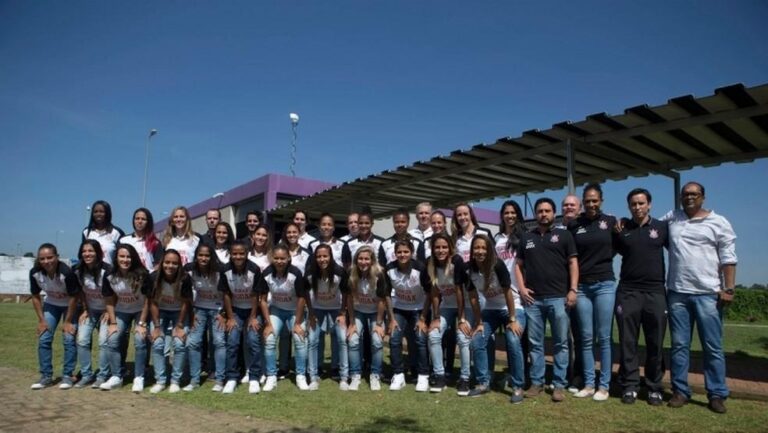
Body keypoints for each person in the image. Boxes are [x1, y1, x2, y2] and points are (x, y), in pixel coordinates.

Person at [664, 182, 737, 414]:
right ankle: (680, 391)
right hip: (677, 292)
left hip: (708, 293)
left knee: (712, 347)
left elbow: (728, 257)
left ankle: (716, 394)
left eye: (694, 194)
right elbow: (648, 225)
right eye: (685, 194)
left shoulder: (719, 222)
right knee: (678, 346)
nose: (689, 197)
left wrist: (730, 288)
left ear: (703, 197)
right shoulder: (672, 218)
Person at [515, 198, 578, 403]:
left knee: (561, 343)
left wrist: (573, 290)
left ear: (553, 213)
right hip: (534, 301)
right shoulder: (526, 237)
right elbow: (518, 265)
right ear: (536, 214)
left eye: (548, 210)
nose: (544, 214)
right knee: (535, 343)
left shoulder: (564, 235)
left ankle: (559, 385)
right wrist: (522, 288)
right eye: (540, 211)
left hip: (559, 298)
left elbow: (573, 263)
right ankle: (536, 382)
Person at [613, 188, 668, 406]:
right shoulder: (622, 229)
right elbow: (603, 253)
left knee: (655, 342)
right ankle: (630, 386)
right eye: (633, 204)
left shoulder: (662, 228)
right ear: (628, 207)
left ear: (650, 205)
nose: (637, 207)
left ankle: (654, 387)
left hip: (655, 292)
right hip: (628, 292)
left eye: (641, 203)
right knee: (628, 342)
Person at [567, 184, 617, 401]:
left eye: (594, 200)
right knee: (586, 338)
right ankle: (589, 383)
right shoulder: (574, 225)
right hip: (583, 288)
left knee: (604, 337)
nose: (591, 204)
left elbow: (620, 244)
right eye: (587, 201)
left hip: (605, 284)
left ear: (601, 201)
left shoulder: (611, 222)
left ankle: (604, 386)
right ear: (582, 203)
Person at [465, 235, 524, 400]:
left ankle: (518, 386)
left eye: (483, 248)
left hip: (512, 307)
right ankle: (483, 383)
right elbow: (473, 298)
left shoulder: (497, 265)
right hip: (490, 310)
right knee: (477, 340)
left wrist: (512, 319)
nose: (480, 251)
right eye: (476, 248)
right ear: (472, 251)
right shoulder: (470, 269)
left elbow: (508, 293)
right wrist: (478, 323)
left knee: (513, 340)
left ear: (489, 249)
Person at [426, 232, 475, 395]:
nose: (441, 250)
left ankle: (465, 378)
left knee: (462, 336)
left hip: (466, 305)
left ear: (450, 248)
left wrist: (461, 319)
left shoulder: (457, 261)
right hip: (446, 305)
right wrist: (436, 317)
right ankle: (439, 376)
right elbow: (434, 292)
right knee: (433, 334)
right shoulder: (430, 263)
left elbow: (459, 291)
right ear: (432, 249)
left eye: (444, 247)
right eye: (437, 247)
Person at [258, 244, 310, 391]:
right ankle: (271, 376)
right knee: (269, 339)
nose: (280, 261)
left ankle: (300, 376)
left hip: (295, 311)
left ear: (288, 258)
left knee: (299, 339)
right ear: (272, 259)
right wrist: (268, 324)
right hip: (276, 310)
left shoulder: (296, 274)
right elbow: (262, 300)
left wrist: (298, 323)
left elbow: (301, 298)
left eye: (283, 258)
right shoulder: (267, 273)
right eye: (276, 258)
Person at [29, 243, 80, 390]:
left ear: (56, 257)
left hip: (69, 306)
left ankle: (67, 376)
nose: (46, 262)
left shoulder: (66, 273)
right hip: (51, 305)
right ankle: (46, 376)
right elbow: (35, 296)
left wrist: (68, 321)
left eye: (50, 257)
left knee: (69, 337)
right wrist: (41, 320)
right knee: (44, 337)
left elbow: (73, 298)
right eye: (42, 259)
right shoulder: (35, 272)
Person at [101, 244, 151, 392]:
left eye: (128, 256)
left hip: (140, 310)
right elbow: (109, 300)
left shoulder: (142, 274)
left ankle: (139, 377)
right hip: (121, 310)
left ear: (133, 258)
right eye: (122, 256)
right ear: (116, 258)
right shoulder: (109, 274)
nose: (125, 259)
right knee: (112, 338)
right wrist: (113, 322)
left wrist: (141, 323)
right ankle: (117, 376)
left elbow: (149, 299)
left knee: (139, 339)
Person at [492, 200, 527, 402]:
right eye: (506, 212)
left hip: (519, 296)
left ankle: (519, 384)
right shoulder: (497, 238)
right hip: (499, 296)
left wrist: (524, 287)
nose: (510, 216)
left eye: (513, 212)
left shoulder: (523, 236)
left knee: (518, 340)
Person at [385, 240, 432, 392]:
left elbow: (430, 293)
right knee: (394, 338)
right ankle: (398, 375)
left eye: (406, 252)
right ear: (395, 253)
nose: (402, 255)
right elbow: (386, 295)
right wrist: (391, 319)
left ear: (412, 253)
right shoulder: (389, 269)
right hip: (399, 308)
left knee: (420, 338)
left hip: (419, 308)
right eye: (399, 252)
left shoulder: (420, 268)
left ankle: (423, 375)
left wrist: (423, 318)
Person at [219, 240, 264, 394]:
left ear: (246, 254)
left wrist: (252, 317)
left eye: (241, 253)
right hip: (236, 311)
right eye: (235, 254)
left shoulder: (254, 269)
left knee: (253, 341)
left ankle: (254, 378)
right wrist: (230, 317)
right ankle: (231, 378)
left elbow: (255, 295)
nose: (238, 256)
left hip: (253, 311)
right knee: (232, 341)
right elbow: (226, 294)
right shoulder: (225, 270)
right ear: (230, 255)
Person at [147, 249, 193, 393]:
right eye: (167, 262)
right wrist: (157, 326)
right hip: (160, 312)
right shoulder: (154, 277)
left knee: (179, 344)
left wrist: (179, 325)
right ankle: (160, 380)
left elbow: (186, 302)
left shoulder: (185, 278)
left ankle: (175, 380)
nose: (170, 266)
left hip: (179, 312)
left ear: (179, 265)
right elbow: (152, 302)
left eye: (174, 263)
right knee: (158, 343)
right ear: (162, 263)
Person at [305, 244, 349, 390]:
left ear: (330, 257)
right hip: (317, 309)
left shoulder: (339, 272)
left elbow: (346, 293)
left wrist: (343, 313)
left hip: (336, 309)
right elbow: (305, 293)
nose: (322, 259)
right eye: (318, 256)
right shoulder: (311, 272)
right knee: (312, 340)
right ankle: (313, 376)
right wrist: (310, 313)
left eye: (325, 256)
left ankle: (343, 377)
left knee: (342, 339)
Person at [346, 246, 389, 391]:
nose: (363, 262)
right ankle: (355, 375)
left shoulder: (379, 274)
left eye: (366, 259)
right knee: (352, 340)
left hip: (375, 313)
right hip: (358, 312)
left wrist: (378, 323)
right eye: (360, 259)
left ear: (372, 260)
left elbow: (382, 300)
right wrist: (351, 322)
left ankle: (375, 374)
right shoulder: (351, 273)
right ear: (356, 260)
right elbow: (350, 299)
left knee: (377, 340)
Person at [185, 243, 226, 391]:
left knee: (219, 342)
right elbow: (186, 293)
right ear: (196, 256)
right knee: (193, 342)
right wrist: (191, 313)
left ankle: (220, 380)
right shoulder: (189, 269)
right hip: (199, 309)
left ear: (212, 257)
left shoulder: (220, 270)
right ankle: (194, 380)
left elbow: (228, 294)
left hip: (218, 309)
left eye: (207, 255)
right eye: (200, 255)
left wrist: (224, 314)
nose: (203, 258)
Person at [73, 240, 112, 388]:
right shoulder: (77, 270)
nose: (87, 254)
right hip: (90, 310)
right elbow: (81, 292)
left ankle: (102, 376)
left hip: (106, 311)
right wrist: (84, 309)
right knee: (82, 340)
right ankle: (86, 374)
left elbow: (114, 294)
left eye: (91, 251)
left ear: (98, 253)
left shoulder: (107, 270)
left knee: (103, 341)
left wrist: (109, 311)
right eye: (84, 251)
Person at [82, 200, 125, 265]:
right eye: (95, 212)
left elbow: (122, 256)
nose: (98, 214)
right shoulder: (86, 232)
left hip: (110, 273)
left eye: (101, 212)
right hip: (90, 273)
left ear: (107, 213)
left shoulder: (117, 233)